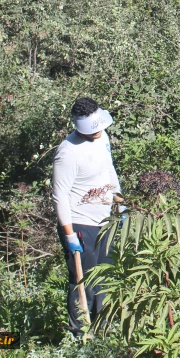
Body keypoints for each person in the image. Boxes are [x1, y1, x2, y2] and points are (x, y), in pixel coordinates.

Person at [52, 97, 122, 335]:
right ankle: (80, 333)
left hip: (104, 221)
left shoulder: (103, 137)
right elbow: (59, 195)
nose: (97, 133)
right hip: (79, 222)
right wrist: (69, 234)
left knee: (106, 277)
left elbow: (108, 169)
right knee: (84, 281)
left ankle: (104, 330)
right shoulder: (68, 152)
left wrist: (120, 204)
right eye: (92, 130)